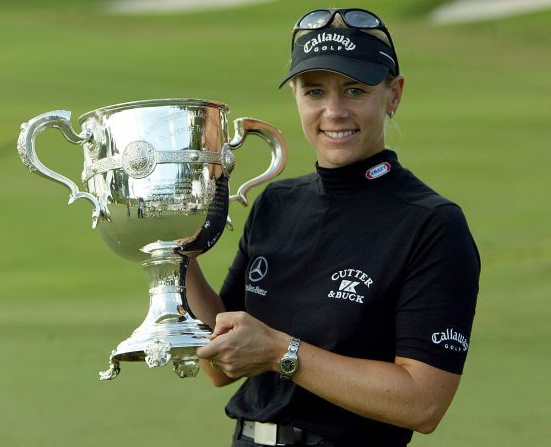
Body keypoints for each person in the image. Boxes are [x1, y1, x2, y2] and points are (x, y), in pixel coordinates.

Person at [187, 8, 480, 447]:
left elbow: (423, 403)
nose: (334, 111)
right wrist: (177, 257)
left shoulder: (431, 224)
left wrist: (278, 351)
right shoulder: (276, 203)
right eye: (314, 91)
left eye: (355, 90)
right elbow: (220, 367)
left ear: (393, 95)